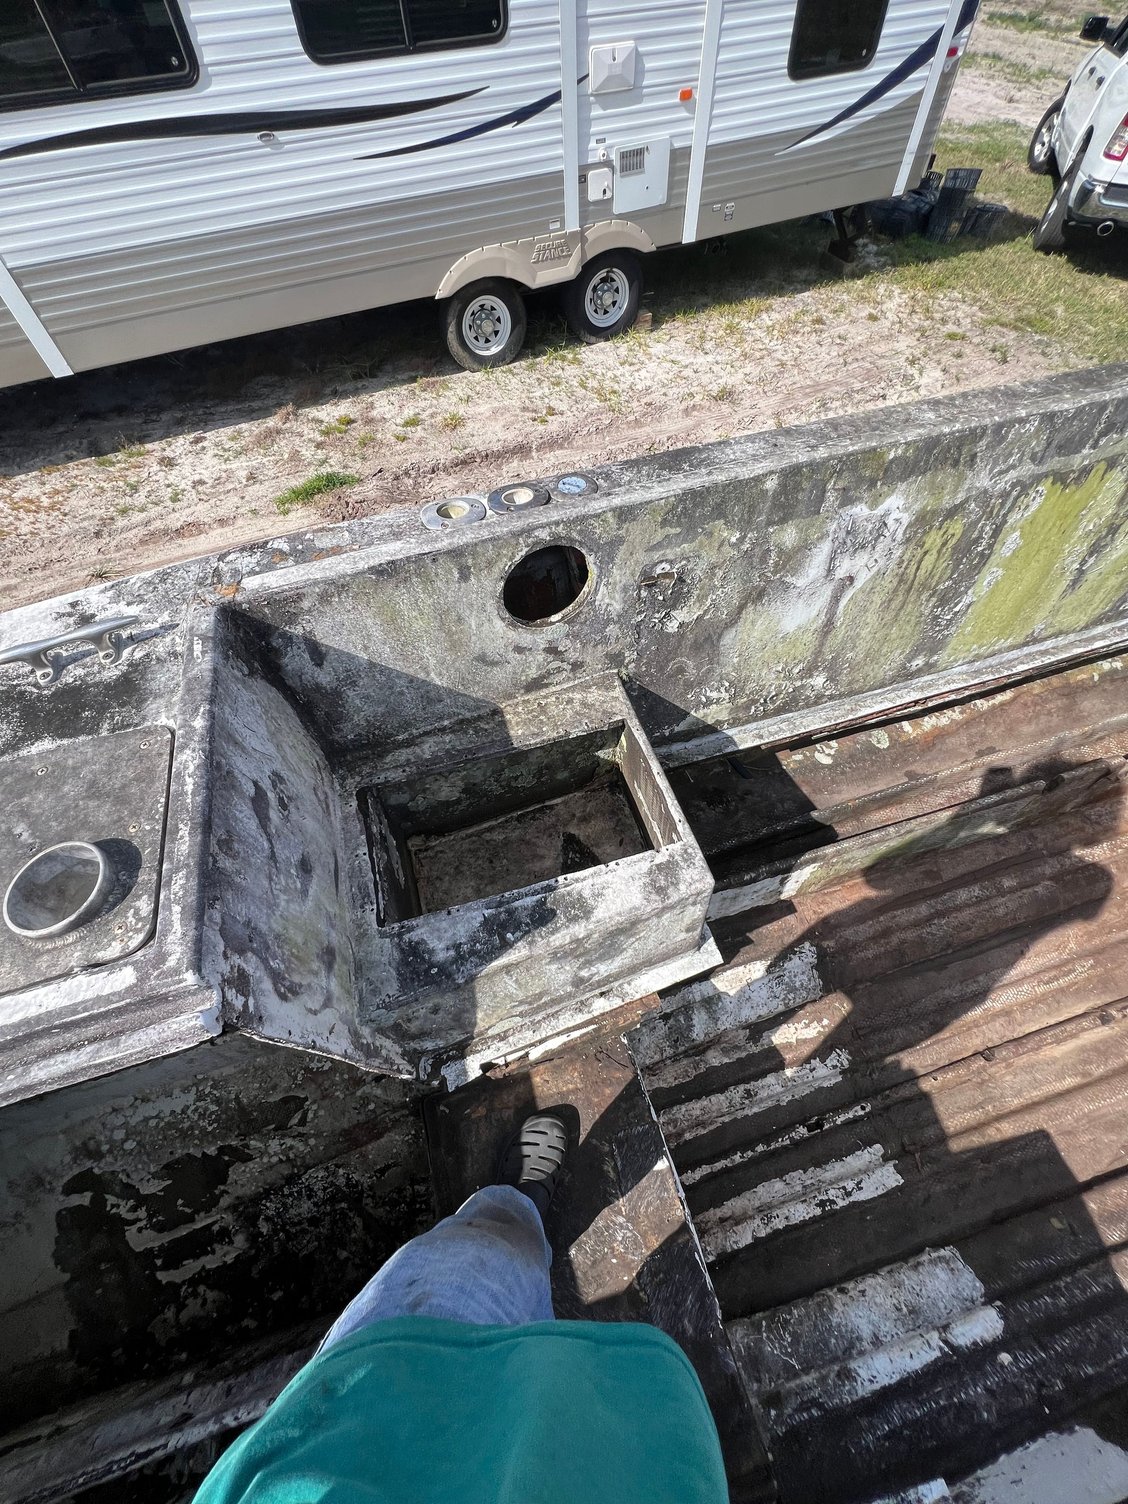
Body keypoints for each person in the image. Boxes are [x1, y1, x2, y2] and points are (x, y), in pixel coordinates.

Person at [194, 1113, 729, 1504]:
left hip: (360, 1422)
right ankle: (520, 1208)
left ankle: (517, 1205)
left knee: (477, 1270)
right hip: (576, 1461)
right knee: (489, 1271)